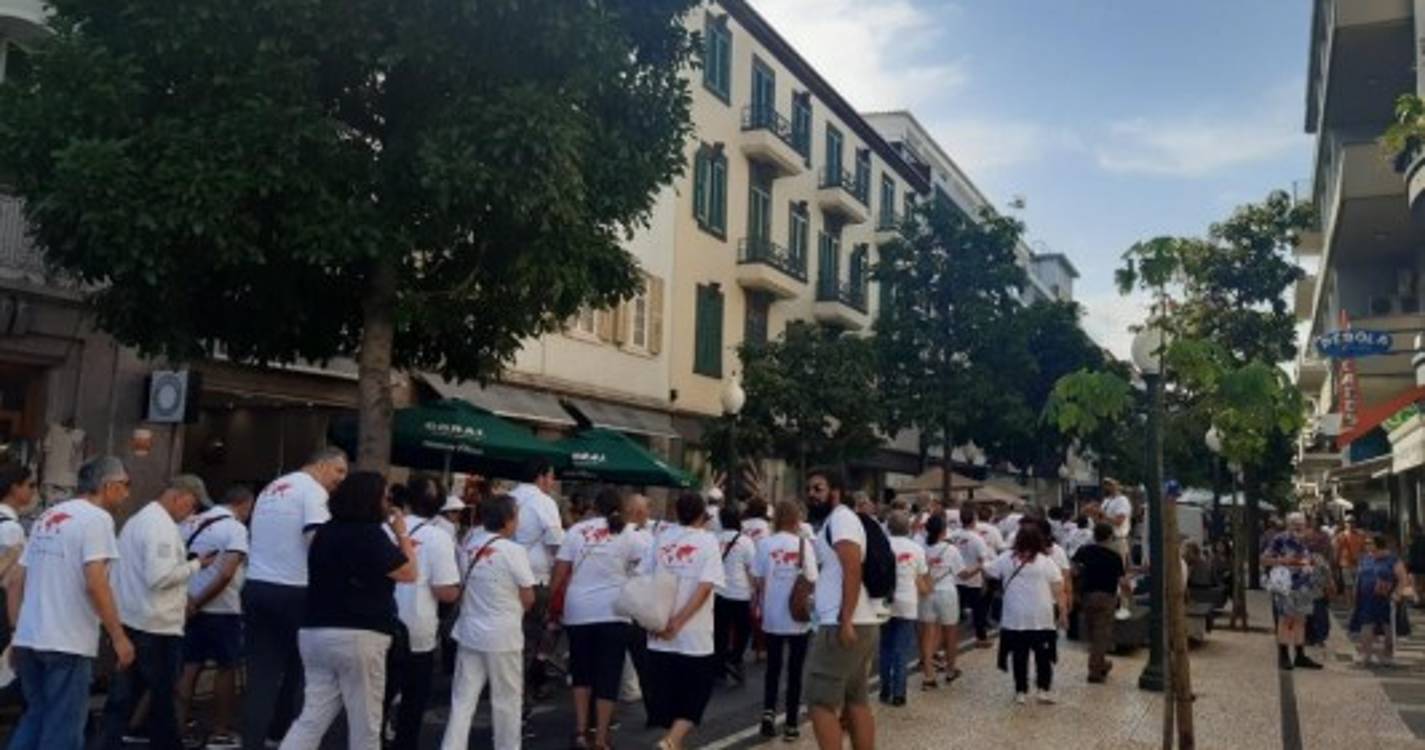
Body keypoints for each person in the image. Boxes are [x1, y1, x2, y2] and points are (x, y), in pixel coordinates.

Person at [277, 472, 415, 750]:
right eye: (385, 497)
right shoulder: (370, 535)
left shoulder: (325, 532)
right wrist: (401, 533)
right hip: (360, 633)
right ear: (371, 500)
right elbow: (409, 572)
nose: (388, 504)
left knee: (312, 717)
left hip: (315, 629)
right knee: (365, 723)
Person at [7, 457, 133, 750]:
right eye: (126, 485)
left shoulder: (48, 516)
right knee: (63, 729)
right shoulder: (98, 520)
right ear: (108, 486)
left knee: (37, 717)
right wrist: (118, 636)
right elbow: (96, 583)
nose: (128, 493)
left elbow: (16, 581)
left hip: (30, 639)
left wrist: (17, 633)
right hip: (67, 640)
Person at [242, 447, 348, 750]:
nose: (340, 480)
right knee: (306, 675)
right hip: (295, 589)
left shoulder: (271, 489)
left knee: (261, 677)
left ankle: (254, 741)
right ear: (323, 465)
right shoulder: (313, 492)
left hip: (257, 585)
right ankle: (292, 740)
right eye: (339, 471)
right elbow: (317, 541)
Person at [100, 475, 212, 750]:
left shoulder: (139, 520)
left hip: (132, 619)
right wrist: (196, 565)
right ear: (181, 497)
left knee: (123, 696)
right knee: (162, 697)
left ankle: (105, 744)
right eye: (193, 505)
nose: (192, 513)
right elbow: (159, 577)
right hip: (156, 626)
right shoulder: (160, 526)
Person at [549, 487, 649, 750]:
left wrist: (551, 603)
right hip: (614, 613)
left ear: (594, 507)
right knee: (609, 675)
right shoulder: (631, 534)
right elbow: (647, 567)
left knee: (581, 672)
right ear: (621, 509)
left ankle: (581, 732)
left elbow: (559, 573)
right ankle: (602, 738)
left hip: (579, 611)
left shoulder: (575, 532)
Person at [442, 494, 536, 750]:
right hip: (503, 635)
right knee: (506, 700)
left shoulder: (469, 544)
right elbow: (528, 596)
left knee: (462, 699)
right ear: (507, 520)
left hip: (470, 630)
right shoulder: (514, 551)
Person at [640, 492, 724, 750]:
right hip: (694, 635)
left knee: (669, 697)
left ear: (677, 512)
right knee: (696, 695)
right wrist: (679, 621)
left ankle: (672, 741)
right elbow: (706, 585)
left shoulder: (661, 538)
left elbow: (643, 577)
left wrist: (657, 620)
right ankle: (671, 741)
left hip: (659, 633)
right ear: (702, 515)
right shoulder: (708, 542)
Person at [384, 479, 461, 750]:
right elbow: (445, 592)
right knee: (413, 701)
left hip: (380, 623)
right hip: (417, 628)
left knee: (376, 697)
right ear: (440, 506)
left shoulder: (385, 529)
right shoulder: (439, 537)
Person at [177, 485, 256, 750]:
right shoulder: (235, 529)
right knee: (226, 667)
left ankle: (179, 728)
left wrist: (190, 602)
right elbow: (226, 573)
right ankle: (220, 732)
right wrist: (200, 602)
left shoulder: (189, 521)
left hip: (186, 604)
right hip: (221, 609)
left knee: (189, 668)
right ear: (244, 504)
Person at [804, 468, 877, 750]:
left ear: (836, 491)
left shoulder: (842, 520)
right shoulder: (837, 521)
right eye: (809, 489)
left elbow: (852, 568)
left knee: (819, 701)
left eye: (818, 488)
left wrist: (844, 618)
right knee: (855, 700)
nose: (812, 494)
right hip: (856, 620)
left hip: (843, 623)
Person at [752, 500, 817, 741]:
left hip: (772, 614)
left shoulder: (765, 544)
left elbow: (757, 579)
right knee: (795, 670)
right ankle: (791, 723)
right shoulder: (804, 545)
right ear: (797, 519)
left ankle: (768, 713)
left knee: (773, 668)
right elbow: (812, 578)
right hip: (798, 616)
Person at [986, 525, 1066, 705]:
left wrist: (983, 560)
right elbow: (1058, 590)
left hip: (1015, 620)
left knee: (1019, 657)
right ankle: (1043, 690)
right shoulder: (1046, 562)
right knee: (1043, 658)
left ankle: (1021, 691)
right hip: (1042, 619)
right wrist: (1063, 613)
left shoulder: (1006, 559)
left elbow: (990, 571)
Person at [510, 458, 564, 699]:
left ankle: (505, 688)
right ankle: (521, 697)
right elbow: (556, 542)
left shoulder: (509, 498)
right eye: (551, 476)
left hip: (505, 574)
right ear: (540, 477)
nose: (552, 482)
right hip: (534, 578)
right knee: (529, 639)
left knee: (510, 637)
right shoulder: (544, 502)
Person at [1262, 512, 1324, 671]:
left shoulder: (1306, 540)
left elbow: (1310, 559)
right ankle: (1283, 656)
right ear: (1288, 524)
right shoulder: (1280, 539)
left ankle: (1300, 655)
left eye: (1301, 522)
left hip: (1304, 585)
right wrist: (1284, 560)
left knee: (1300, 620)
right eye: (1294, 522)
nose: (1298, 525)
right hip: (1286, 585)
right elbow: (1264, 559)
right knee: (1285, 621)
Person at [878, 511, 926, 707]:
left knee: (885, 647)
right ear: (908, 528)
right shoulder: (916, 548)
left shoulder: (881, 546)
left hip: (884, 601)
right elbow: (921, 576)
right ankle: (899, 693)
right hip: (907, 601)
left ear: (888, 526)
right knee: (901, 650)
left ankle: (885, 688)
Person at [1071, 522, 1126, 683]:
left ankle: (1101, 663)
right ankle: (1094, 672)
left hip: (1087, 597)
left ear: (1094, 535)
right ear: (1110, 537)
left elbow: (1073, 570)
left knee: (1092, 633)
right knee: (1101, 635)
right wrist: (1128, 598)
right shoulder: (1115, 557)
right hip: (1106, 598)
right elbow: (1123, 582)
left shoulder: (1084, 551)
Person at [918, 513, 966, 689]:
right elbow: (963, 574)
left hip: (926, 593)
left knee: (928, 634)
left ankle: (928, 674)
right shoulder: (951, 550)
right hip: (946, 593)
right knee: (950, 633)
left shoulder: (921, 548)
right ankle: (951, 670)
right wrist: (979, 567)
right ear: (943, 531)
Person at [1350, 534, 1413, 667]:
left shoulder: (1393, 560)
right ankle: (1366, 655)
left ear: (1379, 545)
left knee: (1388, 627)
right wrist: (1355, 592)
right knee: (1366, 626)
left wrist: (1397, 594)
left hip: (1387, 599)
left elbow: (1403, 579)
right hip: (1367, 599)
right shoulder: (1366, 558)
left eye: (1370, 543)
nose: (1367, 546)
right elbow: (1359, 577)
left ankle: (1387, 655)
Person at [714, 503, 757, 686]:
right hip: (740, 592)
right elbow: (751, 569)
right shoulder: (745, 541)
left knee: (720, 631)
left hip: (719, 592)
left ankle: (719, 666)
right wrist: (754, 590)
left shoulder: (714, 538)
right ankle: (735, 657)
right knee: (743, 630)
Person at [0, 463, 36, 649]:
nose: (33, 491)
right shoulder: (12, 529)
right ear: (15, 488)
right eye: (30, 485)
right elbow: (12, 581)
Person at [950, 505, 994, 649]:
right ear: (974, 520)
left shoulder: (953, 535)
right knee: (978, 611)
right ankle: (981, 638)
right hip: (973, 579)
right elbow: (983, 561)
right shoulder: (977, 539)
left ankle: (948, 641)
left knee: (954, 613)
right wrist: (985, 579)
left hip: (955, 578)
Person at [1334, 515, 1367, 606]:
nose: (1350, 524)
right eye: (1348, 522)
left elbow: (1365, 549)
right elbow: (1337, 550)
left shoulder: (1361, 535)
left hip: (1358, 564)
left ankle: (1357, 604)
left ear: (1355, 523)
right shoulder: (1340, 536)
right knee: (1348, 585)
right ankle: (1350, 604)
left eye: (1352, 522)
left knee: (1358, 585)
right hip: (1345, 564)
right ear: (1345, 524)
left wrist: (1363, 559)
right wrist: (1336, 564)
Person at [1100, 479, 1132, 565]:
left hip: (1116, 540)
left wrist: (1103, 515)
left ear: (1117, 486)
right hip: (1103, 540)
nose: (1107, 487)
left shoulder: (1122, 500)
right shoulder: (1106, 501)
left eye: (1110, 485)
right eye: (1106, 485)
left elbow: (1119, 521)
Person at [1408, 525, 1425, 607]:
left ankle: (1418, 601)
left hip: (1415, 567)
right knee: (1421, 584)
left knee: (1415, 584)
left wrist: (1409, 567)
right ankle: (1421, 600)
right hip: (1423, 567)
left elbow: (1411, 555)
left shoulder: (1412, 541)